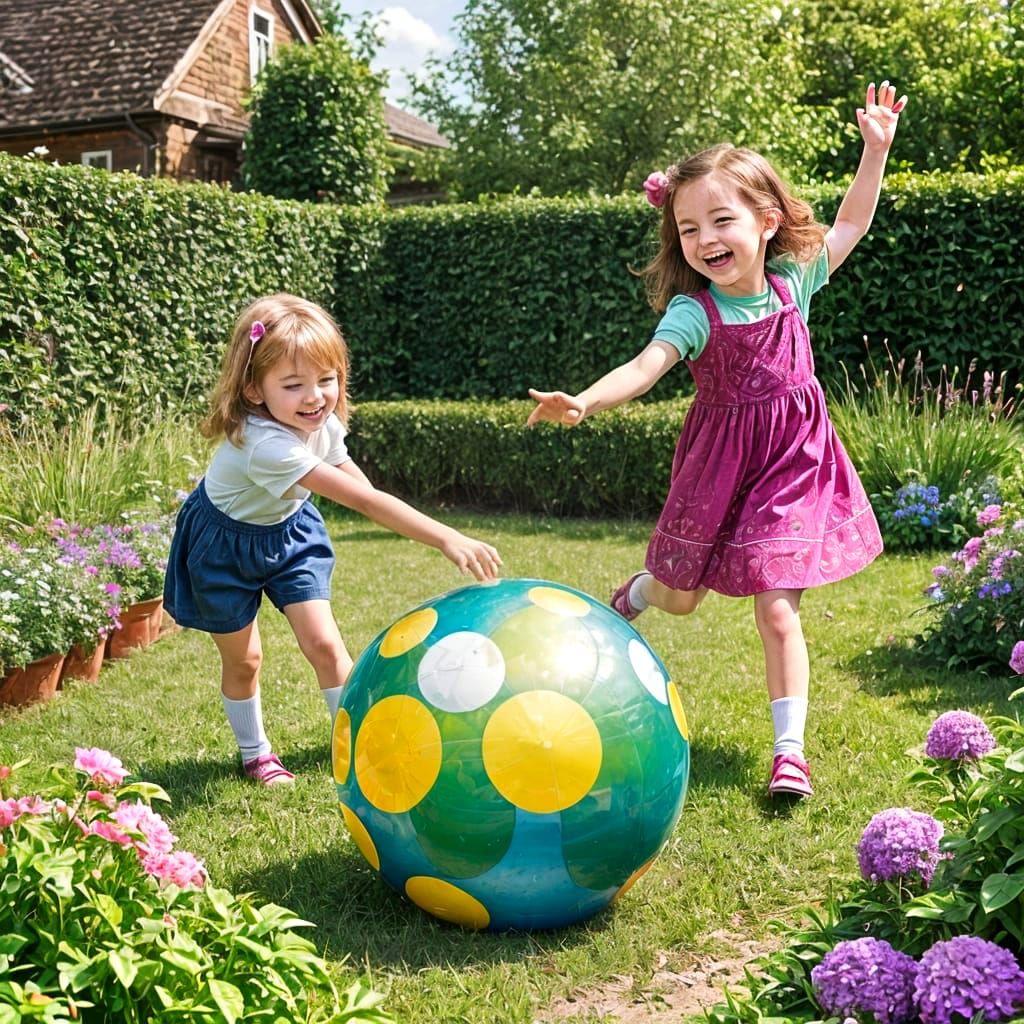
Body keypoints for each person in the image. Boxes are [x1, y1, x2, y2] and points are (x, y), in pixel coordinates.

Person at [527, 81, 908, 799]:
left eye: (720, 221)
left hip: (795, 465)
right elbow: (646, 366)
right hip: (718, 469)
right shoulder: (693, 312)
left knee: (776, 605)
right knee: (679, 599)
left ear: (766, 222)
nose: (705, 240)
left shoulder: (796, 282)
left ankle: (788, 752)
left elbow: (851, 224)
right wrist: (585, 399)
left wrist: (875, 152)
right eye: (689, 229)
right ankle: (639, 590)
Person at [165, 294, 502, 785]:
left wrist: (394, 515)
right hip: (224, 546)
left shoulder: (319, 422)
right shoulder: (265, 445)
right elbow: (364, 503)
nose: (315, 397)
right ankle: (255, 751)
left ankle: (357, 745)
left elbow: (358, 484)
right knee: (246, 659)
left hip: (290, 532)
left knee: (325, 643)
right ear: (255, 391)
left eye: (326, 380)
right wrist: (445, 536)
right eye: (294, 384)